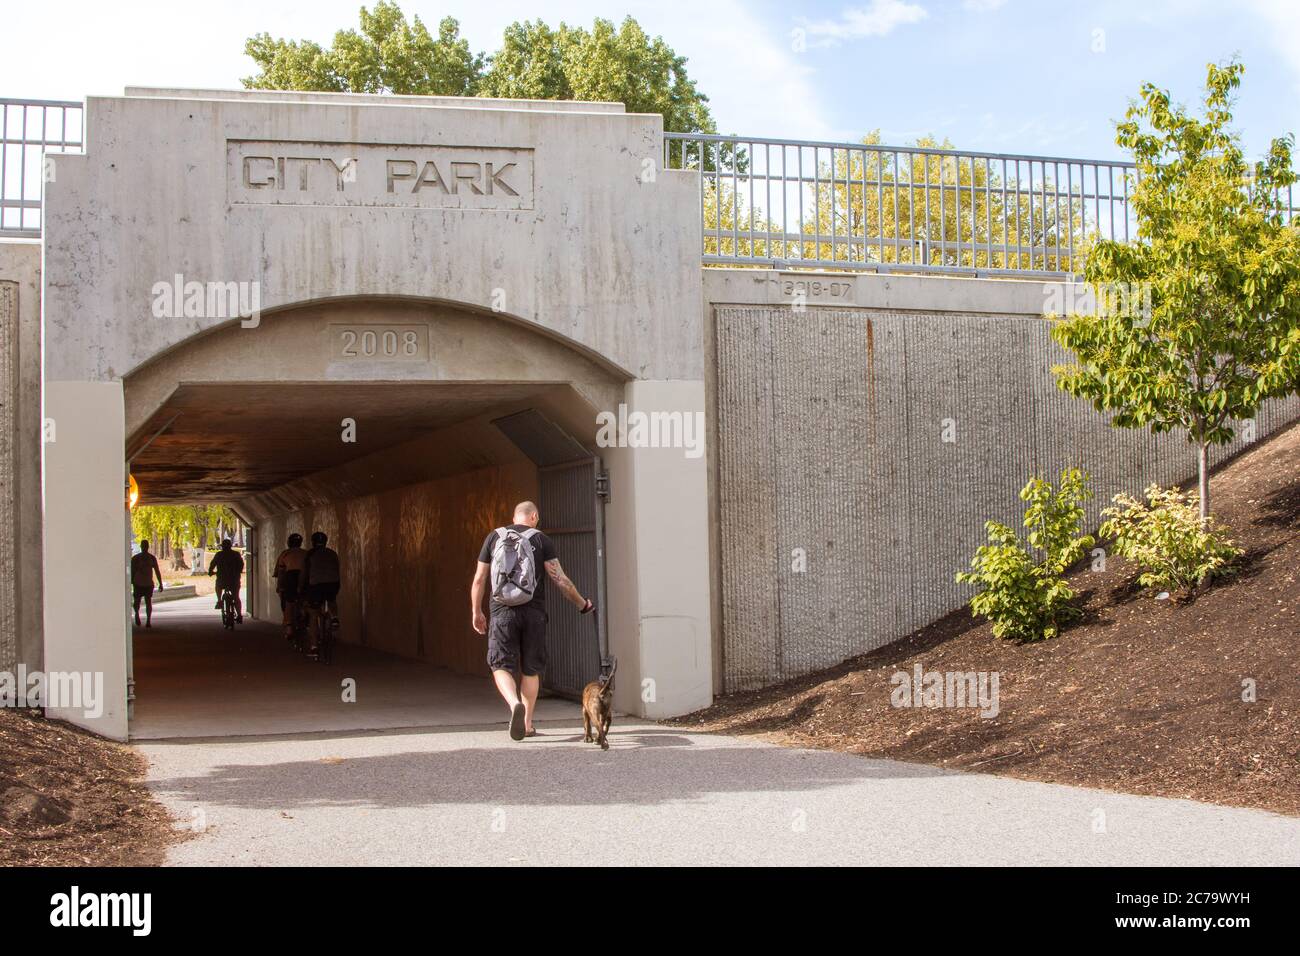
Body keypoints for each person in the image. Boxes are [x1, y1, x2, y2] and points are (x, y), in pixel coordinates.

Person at [470, 501, 593, 741]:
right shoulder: (541, 540)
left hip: (502, 611)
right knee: (531, 669)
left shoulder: (494, 537)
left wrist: (476, 611)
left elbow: (479, 579)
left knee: (500, 665)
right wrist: (582, 603)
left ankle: (514, 702)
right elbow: (561, 580)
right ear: (534, 516)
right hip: (533, 613)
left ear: (514, 516)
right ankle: (526, 724)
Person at [302, 531, 341, 655]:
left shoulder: (310, 554)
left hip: (316, 586)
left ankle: (314, 647)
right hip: (333, 583)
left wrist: (301, 588)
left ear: (313, 542)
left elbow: (305, 574)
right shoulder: (333, 553)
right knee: (331, 599)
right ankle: (334, 617)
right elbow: (336, 569)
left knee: (313, 613)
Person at [273, 533, 308, 639]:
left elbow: (280, 572)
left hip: (291, 576)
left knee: (289, 601)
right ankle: (304, 613)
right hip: (305, 576)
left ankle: (288, 627)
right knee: (305, 599)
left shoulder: (285, 554)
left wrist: (279, 587)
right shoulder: (306, 553)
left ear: (289, 543)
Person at [208, 539, 244, 623]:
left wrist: (210, 572)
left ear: (222, 546)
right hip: (234, 579)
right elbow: (241, 564)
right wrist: (239, 571)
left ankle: (219, 601)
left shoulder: (219, 555)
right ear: (230, 546)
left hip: (222, 578)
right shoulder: (236, 554)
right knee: (236, 597)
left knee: (218, 586)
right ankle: (239, 615)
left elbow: (213, 564)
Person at [130, 540, 164, 628]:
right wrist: (131, 581)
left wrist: (160, 583)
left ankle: (148, 620)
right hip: (138, 583)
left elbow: (157, 570)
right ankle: (137, 613)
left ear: (147, 547)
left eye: (146, 546)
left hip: (148, 583)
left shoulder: (152, 558)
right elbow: (132, 571)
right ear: (141, 546)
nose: (144, 547)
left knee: (148, 601)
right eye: (143, 545)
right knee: (137, 602)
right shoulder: (135, 558)